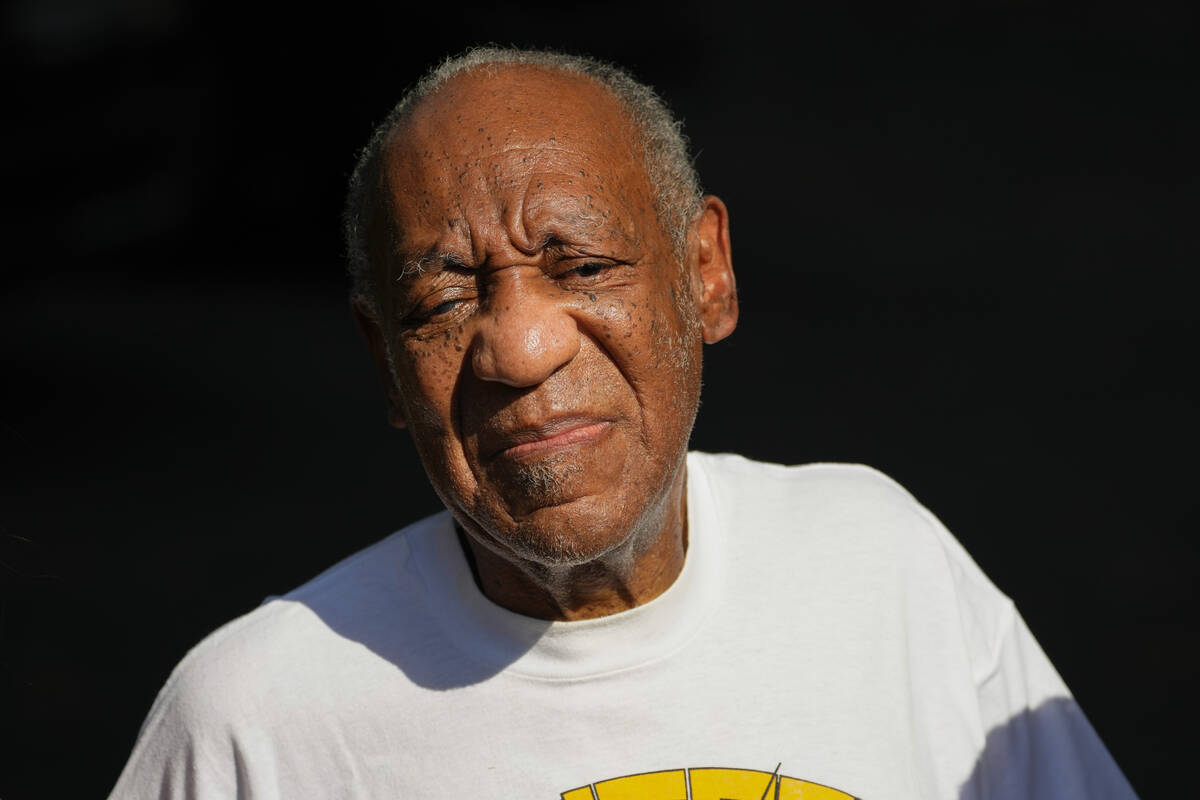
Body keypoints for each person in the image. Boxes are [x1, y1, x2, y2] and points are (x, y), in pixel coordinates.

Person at [109, 47, 1137, 799]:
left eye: (584, 266)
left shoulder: (881, 565)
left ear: (706, 276)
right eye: (442, 304)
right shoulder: (254, 718)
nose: (518, 347)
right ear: (386, 362)